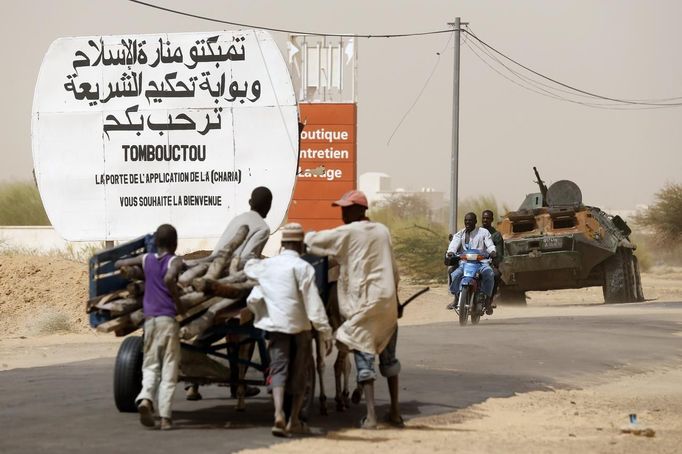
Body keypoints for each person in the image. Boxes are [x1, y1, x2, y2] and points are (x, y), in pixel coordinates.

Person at [305, 190, 403, 430]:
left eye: (346, 209)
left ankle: (370, 416)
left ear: (358, 210)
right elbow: (394, 270)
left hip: (363, 308)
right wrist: (397, 301)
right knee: (389, 362)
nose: (343, 213)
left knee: (364, 358)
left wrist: (300, 237)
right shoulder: (382, 231)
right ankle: (395, 412)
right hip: (387, 304)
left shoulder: (348, 232)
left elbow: (313, 241)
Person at [244, 223, 333, 437]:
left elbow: (249, 268)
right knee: (300, 376)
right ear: (301, 245)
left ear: (283, 244)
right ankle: (293, 419)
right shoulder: (304, 268)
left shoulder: (268, 266)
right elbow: (313, 303)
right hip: (300, 329)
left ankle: (278, 415)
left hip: (276, 328)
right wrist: (325, 332)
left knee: (278, 370)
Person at [184, 186, 273, 401]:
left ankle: (192, 383)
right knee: (251, 323)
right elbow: (246, 258)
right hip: (234, 280)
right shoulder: (263, 227)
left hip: (213, 274)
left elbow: (222, 250)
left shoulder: (238, 218)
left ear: (250, 201)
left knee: (207, 332)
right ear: (268, 207)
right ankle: (240, 383)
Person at [115, 224, 184, 430]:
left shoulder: (146, 259)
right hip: (167, 320)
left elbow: (120, 262)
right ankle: (165, 418)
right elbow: (171, 276)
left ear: (156, 243)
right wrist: (178, 302)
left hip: (150, 321)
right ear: (174, 244)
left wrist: (123, 264)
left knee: (151, 365)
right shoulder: (175, 260)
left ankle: (145, 398)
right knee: (169, 368)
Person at [446, 212, 496, 310]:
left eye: (470, 220)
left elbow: (489, 244)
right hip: (465, 263)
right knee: (455, 275)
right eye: (466, 220)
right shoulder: (460, 234)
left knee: (489, 274)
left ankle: (487, 300)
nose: (468, 222)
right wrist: (451, 252)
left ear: (476, 221)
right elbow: (453, 244)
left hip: (481, 262)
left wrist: (492, 251)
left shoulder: (483, 232)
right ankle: (456, 297)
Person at [481, 209, 504, 311]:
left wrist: (494, 261)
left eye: (488, 218)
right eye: (484, 218)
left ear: (492, 220)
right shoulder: (476, 232)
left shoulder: (496, 235)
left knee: (495, 275)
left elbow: (499, 254)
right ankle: (457, 299)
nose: (485, 220)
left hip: (489, 263)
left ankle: (490, 300)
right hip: (474, 261)